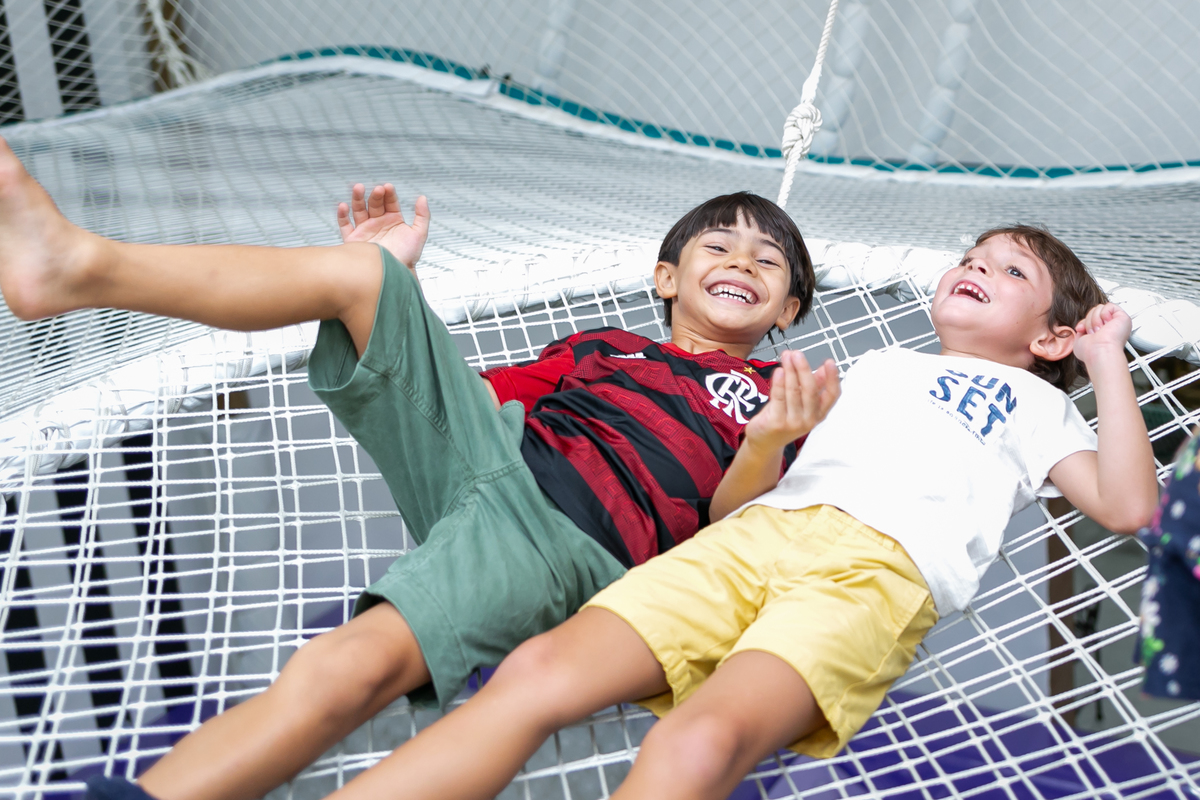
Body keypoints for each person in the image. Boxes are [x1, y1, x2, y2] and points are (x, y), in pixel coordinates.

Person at [0, 137, 841, 800]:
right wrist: (386, 294)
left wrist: (769, 441)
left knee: (347, 666)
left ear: (789, 310)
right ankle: (77, 266)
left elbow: (729, 533)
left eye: (768, 263)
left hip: (556, 542)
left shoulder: (777, 395)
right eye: (720, 246)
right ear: (667, 276)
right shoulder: (604, 349)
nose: (742, 262)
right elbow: (464, 396)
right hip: (494, 455)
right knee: (363, 273)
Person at [286, 225, 1160, 800]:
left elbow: (1126, 505)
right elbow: (731, 504)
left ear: (1050, 337)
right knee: (532, 679)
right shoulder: (873, 367)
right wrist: (769, 439)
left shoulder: (1039, 404)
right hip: (750, 538)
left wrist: (1106, 358)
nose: (976, 268)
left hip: (871, 575)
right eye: (971, 257)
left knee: (702, 745)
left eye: (1010, 272)